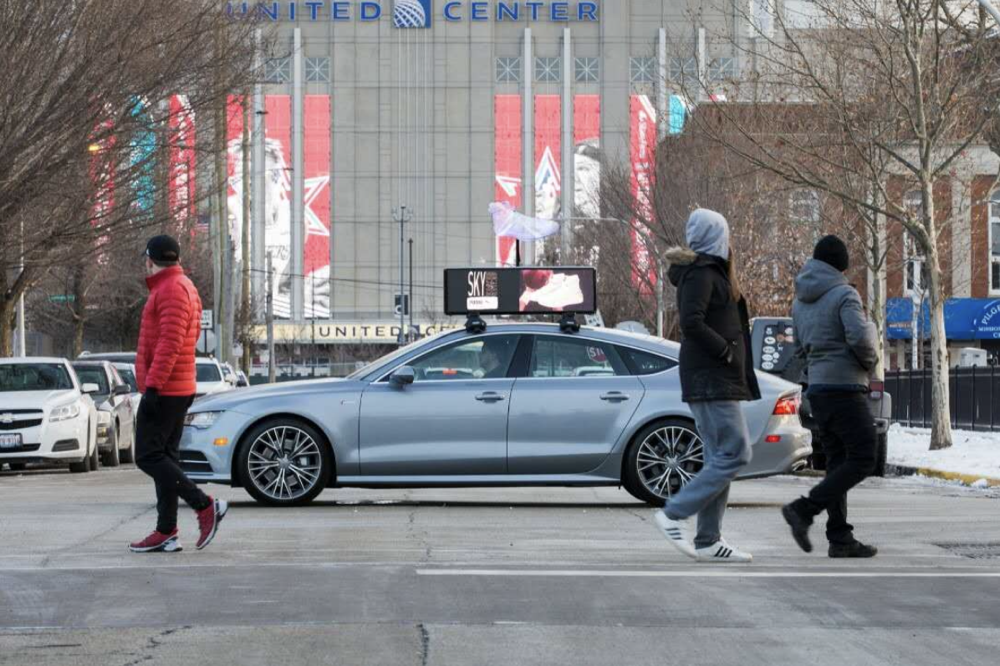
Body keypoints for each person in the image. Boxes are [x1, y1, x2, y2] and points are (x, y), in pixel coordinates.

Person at [653, 209, 760, 563]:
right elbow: (691, 323)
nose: (730, 242)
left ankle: (709, 540)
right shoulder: (700, 274)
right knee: (737, 452)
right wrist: (726, 352)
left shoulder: (712, 273)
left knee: (721, 458)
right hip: (711, 378)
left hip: (718, 378)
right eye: (725, 235)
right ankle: (674, 512)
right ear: (716, 238)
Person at [781, 235, 879, 558]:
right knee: (865, 455)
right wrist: (870, 364)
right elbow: (861, 339)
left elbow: (799, 351)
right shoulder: (844, 294)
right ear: (842, 265)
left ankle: (840, 538)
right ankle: (804, 509)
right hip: (845, 389)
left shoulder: (799, 301)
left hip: (818, 390)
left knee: (837, 462)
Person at [129, 235, 228, 554]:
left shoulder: (171, 289)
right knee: (166, 458)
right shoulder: (181, 286)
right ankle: (166, 531)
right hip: (177, 386)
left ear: (150, 258)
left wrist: (153, 386)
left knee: (147, 455)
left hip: (167, 388)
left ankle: (204, 505)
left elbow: (170, 343)